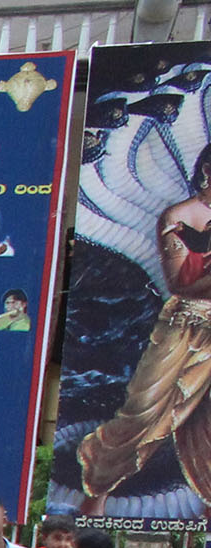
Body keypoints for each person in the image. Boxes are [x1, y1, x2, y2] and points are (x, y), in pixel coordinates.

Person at [79, 148, 211, 516]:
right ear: (205, 170)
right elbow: (179, 283)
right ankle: (97, 494)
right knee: (144, 410)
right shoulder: (179, 216)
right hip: (186, 326)